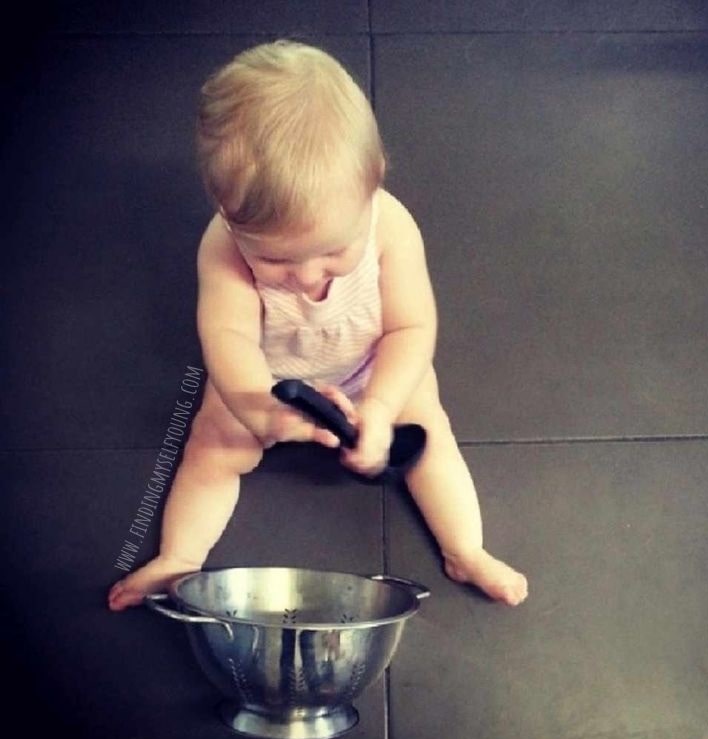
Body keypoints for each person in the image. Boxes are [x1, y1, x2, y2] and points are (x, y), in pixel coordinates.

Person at [108, 40, 528, 611]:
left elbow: (410, 329)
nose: (307, 279)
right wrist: (257, 409)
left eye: (332, 252)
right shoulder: (222, 247)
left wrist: (379, 408)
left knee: (427, 432)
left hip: (370, 365)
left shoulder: (392, 227)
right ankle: (181, 556)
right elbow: (227, 339)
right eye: (277, 261)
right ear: (227, 213)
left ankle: (465, 549)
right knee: (210, 445)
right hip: (268, 376)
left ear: (372, 182)